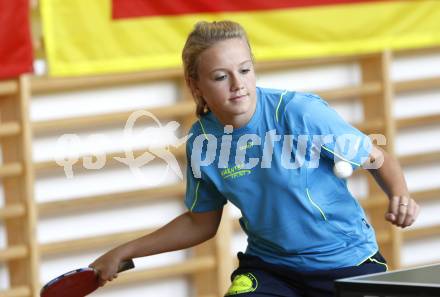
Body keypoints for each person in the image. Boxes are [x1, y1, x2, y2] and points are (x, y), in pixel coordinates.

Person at [90, 20, 420, 297]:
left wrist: (399, 194)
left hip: (346, 262)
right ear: (196, 85)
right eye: (221, 77)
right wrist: (125, 251)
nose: (238, 85)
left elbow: (376, 157)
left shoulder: (299, 113)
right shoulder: (203, 142)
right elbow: (199, 223)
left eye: (244, 70)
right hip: (272, 268)